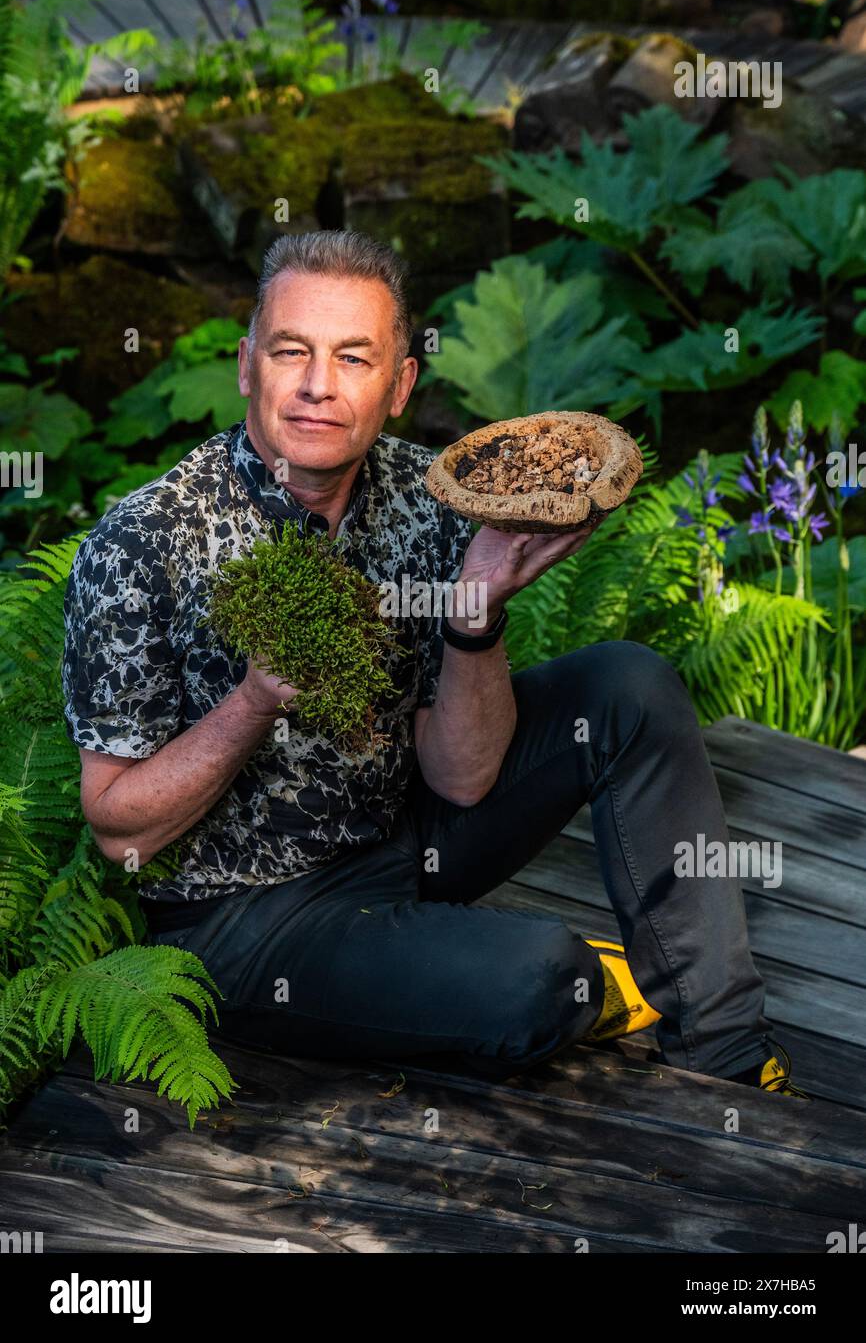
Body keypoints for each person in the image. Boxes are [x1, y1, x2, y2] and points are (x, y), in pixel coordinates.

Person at [62, 228, 807, 1098]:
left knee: (629, 686)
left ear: (401, 384)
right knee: (543, 979)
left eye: (353, 358)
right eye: (291, 351)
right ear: (245, 365)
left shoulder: (434, 499)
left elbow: (461, 780)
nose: (316, 386)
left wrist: (474, 616)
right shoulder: (147, 543)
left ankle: (724, 1053)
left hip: (403, 837)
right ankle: (551, 974)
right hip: (243, 921)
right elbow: (120, 833)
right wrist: (258, 697)